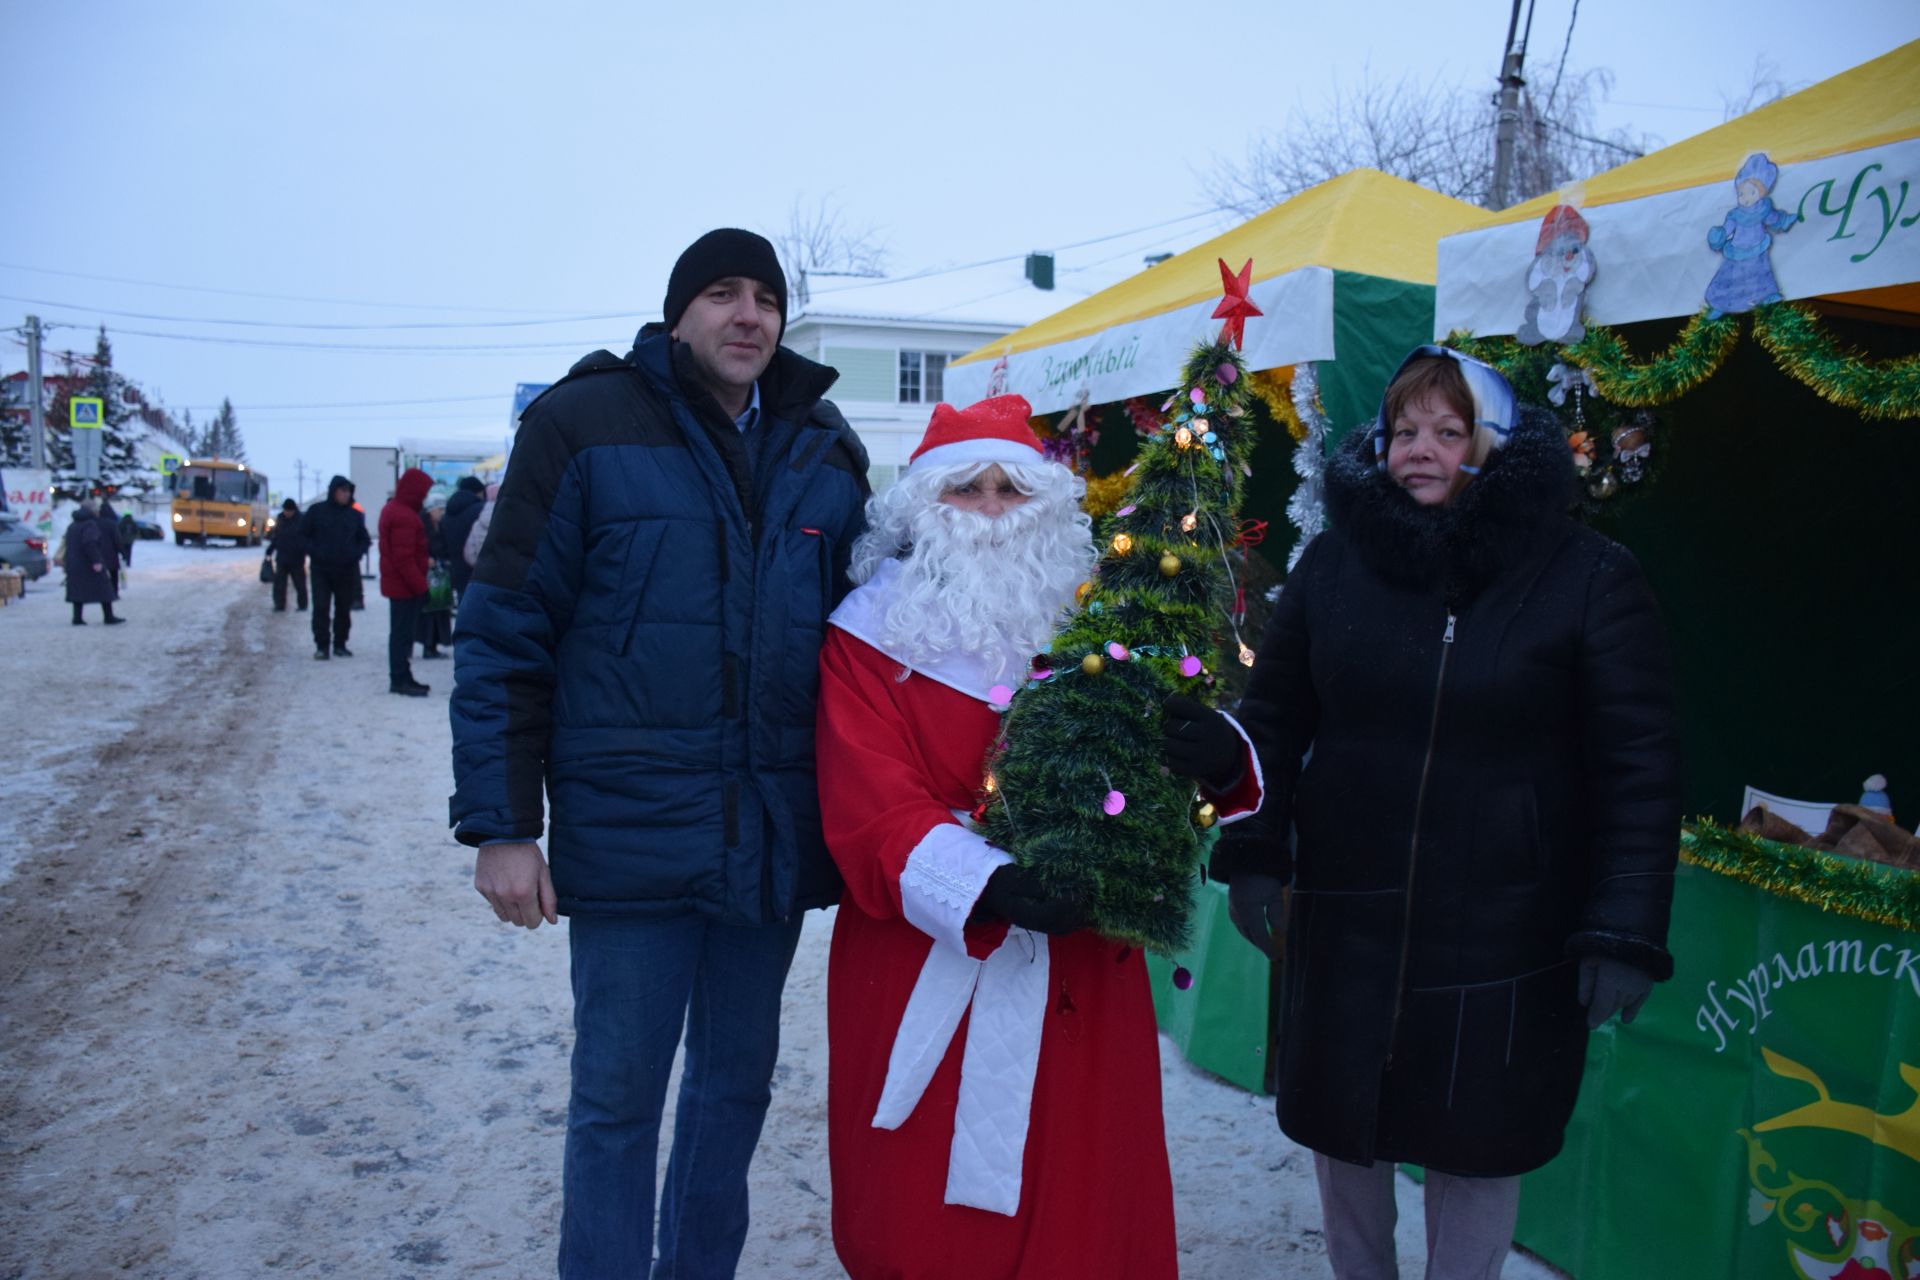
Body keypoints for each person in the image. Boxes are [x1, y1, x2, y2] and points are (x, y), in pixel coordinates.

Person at [449, 228, 869, 1277]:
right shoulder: (582, 425)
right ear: (677, 313)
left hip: (766, 845)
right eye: (722, 294)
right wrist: (503, 823)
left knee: (732, 1098)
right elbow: (505, 631)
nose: (749, 316)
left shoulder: (824, 448)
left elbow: (882, 639)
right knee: (618, 1102)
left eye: (766, 298)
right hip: (634, 839)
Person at [1212, 346, 1682, 1280]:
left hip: (1507, 927)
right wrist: (1255, 847)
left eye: (1447, 430)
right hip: (1348, 910)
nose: (1418, 449)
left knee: (1476, 1144)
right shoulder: (1334, 567)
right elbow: (1273, 718)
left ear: (1494, 443)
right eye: (1403, 430)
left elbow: (1639, 765)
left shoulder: (1588, 575)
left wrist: (1622, 928)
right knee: (1346, 1134)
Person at [814, 395, 1263, 1279]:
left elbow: (1170, 776)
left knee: (1086, 1199)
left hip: (1082, 965)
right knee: (918, 1209)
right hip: (925, 954)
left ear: (1047, 508)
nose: (987, 511)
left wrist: (1222, 758)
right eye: (965, 490)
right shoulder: (868, 638)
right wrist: (986, 883)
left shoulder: (1107, 629)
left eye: (1009, 491)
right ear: (923, 510)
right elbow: (867, 799)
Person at [378, 467, 434, 697]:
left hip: (399, 585)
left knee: (400, 634)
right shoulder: (405, 516)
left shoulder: (394, 509)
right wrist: (421, 587)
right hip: (405, 587)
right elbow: (404, 560)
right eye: (424, 491)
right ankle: (400, 679)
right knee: (402, 635)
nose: (425, 496)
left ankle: (402, 676)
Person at [301, 475, 370, 660]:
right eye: (343, 491)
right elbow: (302, 535)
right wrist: (314, 552)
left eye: (348, 491)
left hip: (346, 570)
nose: (346, 495)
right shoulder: (316, 511)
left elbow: (364, 539)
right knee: (321, 607)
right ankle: (322, 646)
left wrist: (354, 554)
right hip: (321, 569)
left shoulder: (353, 515)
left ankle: (340, 644)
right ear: (334, 491)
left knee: (343, 608)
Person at [63, 499, 123, 626]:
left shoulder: (73, 525)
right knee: (104, 588)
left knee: (77, 590)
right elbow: (90, 543)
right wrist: (96, 561)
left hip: (74, 562)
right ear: (93, 511)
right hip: (87, 563)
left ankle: (77, 617)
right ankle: (109, 616)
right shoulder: (90, 525)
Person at [415, 496, 454, 660]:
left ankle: (434, 644)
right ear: (431, 510)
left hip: (440, 575)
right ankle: (428, 645)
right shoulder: (423, 526)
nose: (442, 513)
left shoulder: (440, 525)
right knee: (429, 611)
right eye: (439, 509)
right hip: (427, 576)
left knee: (439, 609)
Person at [439, 475, 486, 604]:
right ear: (477, 491)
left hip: (457, 573)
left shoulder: (448, 512)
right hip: (478, 574)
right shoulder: (480, 510)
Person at [267, 497, 309, 612]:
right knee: (279, 584)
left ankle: (302, 605)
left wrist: (305, 550)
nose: (287, 513)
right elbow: (276, 536)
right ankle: (279, 604)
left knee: (299, 583)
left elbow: (306, 538)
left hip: (297, 558)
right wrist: (270, 549)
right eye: (285, 510)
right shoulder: (280, 518)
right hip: (282, 557)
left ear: (294, 510)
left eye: (289, 511)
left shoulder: (301, 519)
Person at [461, 481, 499, 576]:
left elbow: (469, 553)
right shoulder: (510, 518)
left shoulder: (478, 524)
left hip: (483, 573)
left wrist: (480, 565)